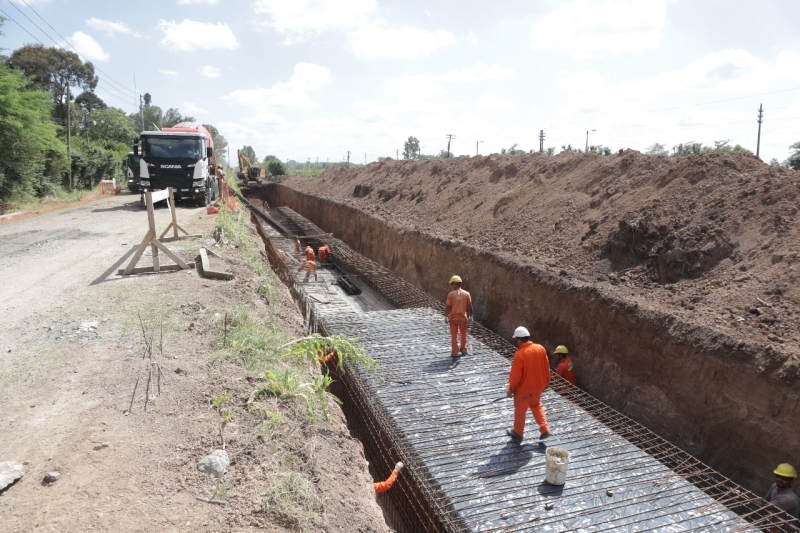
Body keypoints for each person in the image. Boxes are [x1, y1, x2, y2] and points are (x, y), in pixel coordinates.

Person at [507, 326, 551, 440]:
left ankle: (518, 432)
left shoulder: (520, 354)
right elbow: (546, 367)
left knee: (520, 410)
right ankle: (544, 428)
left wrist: (511, 389)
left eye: (516, 340)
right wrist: (546, 382)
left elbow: (516, 376)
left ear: (519, 340)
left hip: (524, 391)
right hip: (538, 388)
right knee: (536, 405)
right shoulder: (540, 348)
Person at [445, 275, 473, 357]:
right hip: (463, 319)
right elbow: (470, 306)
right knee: (463, 335)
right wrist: (471, 316)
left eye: (452, 284)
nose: (451, 286)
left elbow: (448, 306)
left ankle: (454, 353)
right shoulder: (467, 294)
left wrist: (446, 317)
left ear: (455, 283)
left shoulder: (451, 294)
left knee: (454, 336)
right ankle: (463, 349)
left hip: (453, 319)